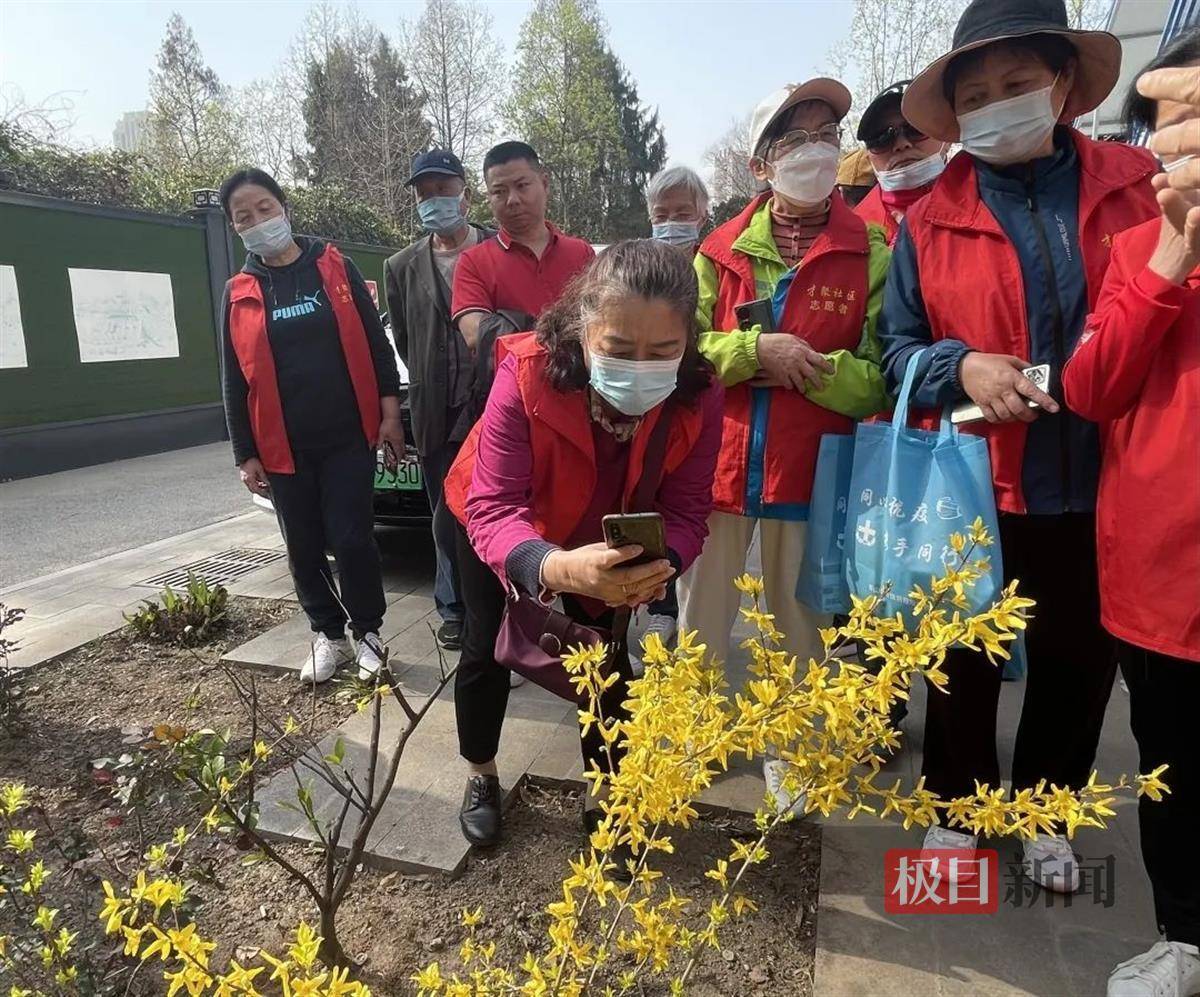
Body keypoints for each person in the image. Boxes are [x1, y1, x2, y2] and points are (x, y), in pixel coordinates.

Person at [877, 0, 1160, 892]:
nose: (996, 104)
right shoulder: (928, 220)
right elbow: (895, 354)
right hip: (978, 487)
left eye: (1017, 84)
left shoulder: (1138, 185)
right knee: (962, 659)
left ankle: (1043, 814)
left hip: (1110, 483)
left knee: (1079, 664)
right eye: (976, 93)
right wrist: (961, 369)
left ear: (1064, 84)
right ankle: (958, 815)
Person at [442, 240, 723, 850]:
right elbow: (493, 507)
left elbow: (689, 509)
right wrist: (556, 566)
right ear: (581, 329)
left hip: (607, 535)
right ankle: (481, 773)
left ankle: (609, 792)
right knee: (487, 650)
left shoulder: (700, 395)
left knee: (608, 661)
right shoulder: (527, 373)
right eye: (618, 350)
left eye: (663, 351)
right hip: (503, 526)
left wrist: (661, 564)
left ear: (688, 343)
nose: (640, 366)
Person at [675, 77, 892, 814]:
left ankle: (789, 747)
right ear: (762, 165)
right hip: (720, 468)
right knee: (701, 615)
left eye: (828, 134)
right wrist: (755, 349)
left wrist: (813, 369)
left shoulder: (869, 249)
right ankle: (690, 734)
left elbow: (881, 374)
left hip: (810, 472)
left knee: (797, 623)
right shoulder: (719, 250)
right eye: (796, 138)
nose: (816, 150)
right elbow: (688, 351)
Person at [1063, 29, 1200, 997]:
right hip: (1161, 566)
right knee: (1172, 765)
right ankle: (1185, 937)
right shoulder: (1134, 251)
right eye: (1172, 122)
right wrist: (1173, 256)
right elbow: (1092, 384)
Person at [219, 167, 403, 684]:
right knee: (301, 544)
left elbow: (376, 343)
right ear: (236, 229)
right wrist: (244, 452)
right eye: (244, 217)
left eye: (265, 208)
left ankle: (367, 631)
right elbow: (233, 376)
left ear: (284, 208)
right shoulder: (239, 290)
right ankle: (327, 634)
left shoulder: (334, 266)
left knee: (351, 537)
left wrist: (390, 414)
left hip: (348, 435)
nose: (258, 221)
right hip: (281, 446)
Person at [383, 150, 495, 653]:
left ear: (465, 194)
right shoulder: (401, 266)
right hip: (436, 413)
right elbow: (405, 339)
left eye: (443, 190)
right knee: (444, 515)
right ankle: (452, 607)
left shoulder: (499, 249)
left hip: (495, 407)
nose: (435, 201)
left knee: (499, 509)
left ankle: (503, 605)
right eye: (424, 193)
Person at [451, 141, 594, 352]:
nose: (513, 200)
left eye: (522, 186)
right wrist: (560, 336)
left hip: (578, 382)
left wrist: (511, 329)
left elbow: (601, 319)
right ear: (489, 198)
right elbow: (474, 333)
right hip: (511, 382)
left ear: (544, 184)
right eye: (499, 191)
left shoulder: (581, 253)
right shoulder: (473, 262)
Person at [854, 80, 950, 245]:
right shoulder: (852, 232)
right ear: (868, 155)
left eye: (916, 128)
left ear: (946, 137)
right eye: (881, 138)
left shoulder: (992, 203)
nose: (901, 144)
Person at [647, 165, 711, 255]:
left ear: (703, 219)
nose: (670, 224)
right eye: (661, 216)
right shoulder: (636, 266)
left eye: (683, 214)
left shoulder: (715, 267)